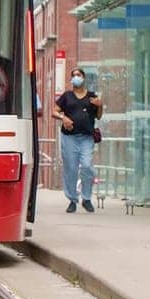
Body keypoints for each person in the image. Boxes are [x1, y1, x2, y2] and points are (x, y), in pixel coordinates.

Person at [52, 67, 103, 213]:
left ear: (84, 78)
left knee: (87, 166)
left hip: (87, 137)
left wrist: (100, 106)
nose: (76, 77)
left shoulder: (91, 96)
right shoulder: (66, 96)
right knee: (71, 168)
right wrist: (63, 117)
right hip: (69, 138)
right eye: (73, 75)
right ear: (71, 79)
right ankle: (72, 200)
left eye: (78, 75)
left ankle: (86, 198)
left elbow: (98, 116)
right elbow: (54, 111)